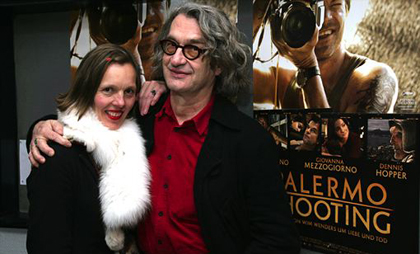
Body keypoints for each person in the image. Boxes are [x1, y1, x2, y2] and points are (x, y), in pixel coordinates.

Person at [27, 3, 300, 254]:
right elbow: (88, 120)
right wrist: (41, 128)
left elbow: (277, 241)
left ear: (218, 63)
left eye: (193, 49)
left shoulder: (248, 142)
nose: (177, 59)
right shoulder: (141, 116)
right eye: (171, 45)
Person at [26, 44, 150, 254]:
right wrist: (38, 127)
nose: (120, 102)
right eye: (108, 90)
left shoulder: (130, 145)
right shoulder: (57, 154)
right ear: (87, 90)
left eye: (129, 91)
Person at [253, 0, 398, 113]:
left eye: (335, 4)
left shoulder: (375, 77)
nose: (325, 19)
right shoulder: (283, 83)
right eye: (311, 7)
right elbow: (232, 83)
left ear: (346, 10)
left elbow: (343, 147)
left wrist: (307, 67)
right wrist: (259, 10)